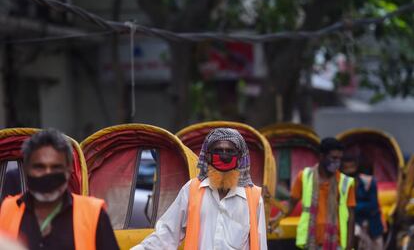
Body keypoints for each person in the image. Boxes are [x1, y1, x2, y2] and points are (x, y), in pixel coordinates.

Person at [132, 128, 267, 250]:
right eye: (218, 150)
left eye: (230, 151)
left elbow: (260, 244)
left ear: (239, 158)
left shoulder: (253, 197)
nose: (224, 156)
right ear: (208, 156)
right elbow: (167, 234)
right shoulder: (191, 190)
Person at [0, 129, 120, 250]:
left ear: (68, 171)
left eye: (56, 167)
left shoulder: (93, 213)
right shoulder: (7, 209)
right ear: (26, 170)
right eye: (39, 167)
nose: (47, 174)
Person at [282, 137, 356, 250]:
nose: (337, 163)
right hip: (310, 242)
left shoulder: (346, 182)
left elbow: (351, 217)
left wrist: (349, 246)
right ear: (321, 156)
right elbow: (290, 205)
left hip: (337, 245)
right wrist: (275, 220)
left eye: (339, 159)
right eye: (334, 158)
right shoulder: (305, 176)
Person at [341, 154, 384, 250]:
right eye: (346, 169)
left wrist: (353, 207)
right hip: (354, 227)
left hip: (373, 228)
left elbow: (373, 206)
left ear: (356, 167)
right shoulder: (341, 186)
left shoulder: (368, 182)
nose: (349, 171)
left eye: (351, 167)